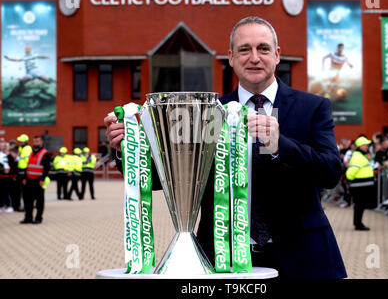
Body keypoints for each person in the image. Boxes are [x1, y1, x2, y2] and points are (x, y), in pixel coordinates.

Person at [105, 16, 347, 279]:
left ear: (277, 55)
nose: (254, 57)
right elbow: (166, 178)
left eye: (263, 48)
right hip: (221, 260)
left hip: (303, 258)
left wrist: (281, 146)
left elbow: (331, 172)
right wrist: (127, 148)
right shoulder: (206, 112)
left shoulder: (313, 107)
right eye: (245, 49)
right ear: (231, 58)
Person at [345, 136, 376, 231]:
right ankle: (358, 224)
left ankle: (358, 223)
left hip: (361, 186)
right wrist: (350, 179)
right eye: (366, 145)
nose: (367, 147)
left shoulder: (360, 155)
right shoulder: (358, 156)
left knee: (360, 205)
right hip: (359, 187)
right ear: (361, 146)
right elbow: (351, 172)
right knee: (359, 205)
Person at [20, 135, 51, 224]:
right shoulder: (31, 152)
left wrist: (42, 179)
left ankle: (38, 218)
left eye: (37, 141)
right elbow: (28, 166)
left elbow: (46, 168)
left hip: (38, 181)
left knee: (39, 201)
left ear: (41, 142)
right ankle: (28, 218)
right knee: (28, 201)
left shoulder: (45, 153)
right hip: (29, 180)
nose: (35, 143)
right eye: (34, 141)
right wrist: (25, 177)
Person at [16, 134, 32, 211]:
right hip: (20, 171)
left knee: (25, 190)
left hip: (25, 171)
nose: (19, 142)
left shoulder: (27, 149)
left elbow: (28, 161)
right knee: (21, 190)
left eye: (20, 141)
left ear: (24, 142)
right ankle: (22, 205)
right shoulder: (21, 148)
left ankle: (26, 206)